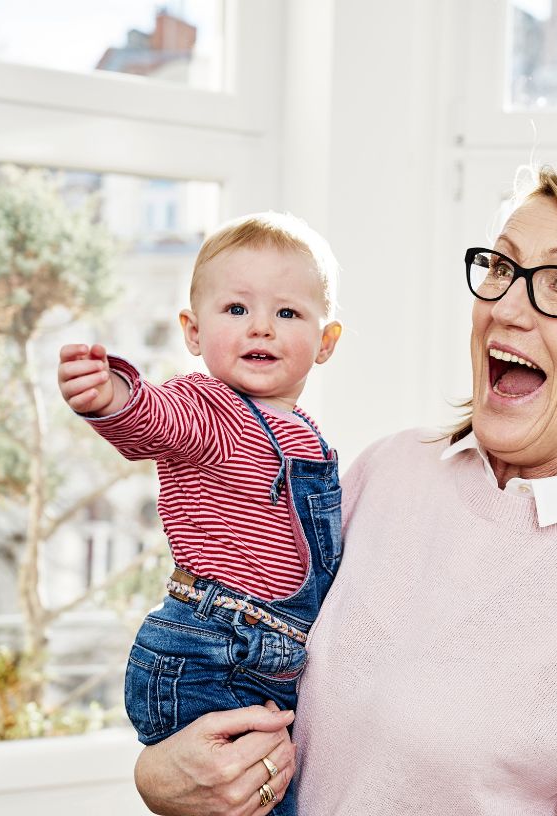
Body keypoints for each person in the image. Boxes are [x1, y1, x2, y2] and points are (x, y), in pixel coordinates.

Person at [133, 167, 557, 815]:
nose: (505, 308)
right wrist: (161, 778)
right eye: (501, 269)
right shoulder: (391, 469)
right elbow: (236, 666)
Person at [57, 212, 344, 816]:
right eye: (236, 309)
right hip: (213, 650)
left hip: (265, 657)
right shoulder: (210, 406)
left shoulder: (307, 433)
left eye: (287, 313)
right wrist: (111, 396)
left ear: (326, 342)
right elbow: (153, 419)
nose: (261, 326)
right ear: (193, 331)